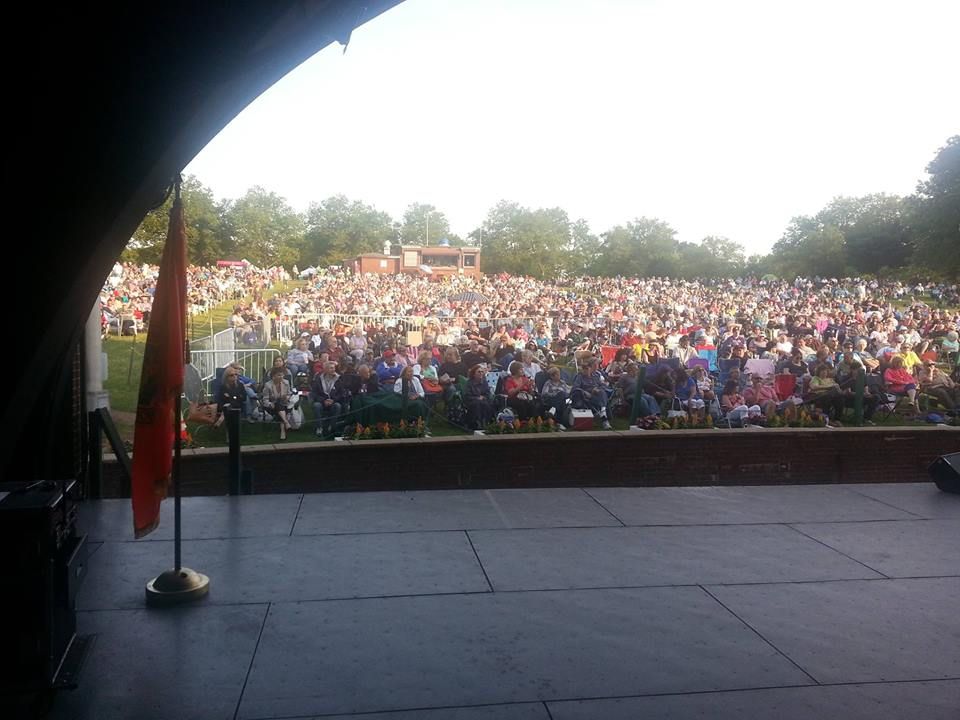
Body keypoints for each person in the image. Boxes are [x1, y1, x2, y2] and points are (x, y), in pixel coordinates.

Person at [572, 358, 611, 429]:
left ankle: (603, 415)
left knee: (602, 392)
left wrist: (597, 389)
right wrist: (585, 392)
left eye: (587, 368)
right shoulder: (580, 376)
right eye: (584, 369)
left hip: (597, 396)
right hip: (587, 397)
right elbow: (575, 388)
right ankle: (604, 416)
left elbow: (603, 385)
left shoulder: (595, 375)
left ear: (590, 368)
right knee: (603, 395)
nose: (586, 370)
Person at [310, 361, 345, 438]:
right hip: (322, 402)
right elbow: (314, 393)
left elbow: (342, 393)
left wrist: (333, 400)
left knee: (337, 406)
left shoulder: (338, 379)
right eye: (331, 368)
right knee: (316, 405)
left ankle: (332, 426)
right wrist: (323, 400)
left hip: (333, 401)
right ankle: (319, 427)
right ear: (325, 369)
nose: (333, 370)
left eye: (334, 368)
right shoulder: (318, 379)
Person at [261, 366, 294, 440]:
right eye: (279, 375)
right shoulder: (268, 385)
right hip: (271, 406)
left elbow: (289, 393)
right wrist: (270, 404)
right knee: (278, 405)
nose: (281, 377)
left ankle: (283, 428)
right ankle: (285, 424)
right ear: (273, 377)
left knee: (280, 406)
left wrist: (287, 397)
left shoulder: (286, 382)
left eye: (282, 375)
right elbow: (265, 399)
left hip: (284, 404)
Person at [464, 363, 494, 429]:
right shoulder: (469, 383)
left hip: (483, 400)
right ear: (474, 374)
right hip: (472, 402)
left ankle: (486, 422)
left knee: (487, 404)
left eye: (482, 372)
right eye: (479, 372)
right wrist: (477, 398)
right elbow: (467, 396)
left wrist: (483, 397)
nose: (481, 373)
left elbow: (488, 393)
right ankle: (477, 423)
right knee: (477, 404)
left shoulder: (484, 382)